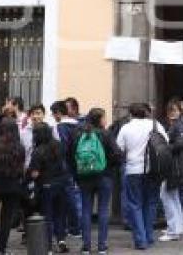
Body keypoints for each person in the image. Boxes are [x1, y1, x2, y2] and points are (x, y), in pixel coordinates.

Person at [116, 103, 168, 250]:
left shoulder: (126, 128)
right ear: (146, 113)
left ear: (131, 114)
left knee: (135, 204)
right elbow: (165, 143)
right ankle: (149, 236)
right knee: (151, 203)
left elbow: (119, 149)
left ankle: (140, 239)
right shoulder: (155, 125)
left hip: (133, 169)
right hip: (153, 169)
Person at [69, 107, 119, 255]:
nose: (106, 120)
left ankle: (86, 247)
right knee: (103, 210)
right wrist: (111, 168)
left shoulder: (78, 134)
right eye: (104, 117)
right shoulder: (106, 134)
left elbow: (70, 155)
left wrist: (76, 174)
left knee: (86, 210)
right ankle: (102, 247)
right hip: (104, 177)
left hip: (84, 177)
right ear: (100, 119)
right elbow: (117, 154)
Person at [28, 122, 69, 253]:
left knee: (48, 216)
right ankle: (61, 240)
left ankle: (49, 245)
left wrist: (28, 178)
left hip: (46, 186)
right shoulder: (59, 145)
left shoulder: (38, 151)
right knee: (60, 214)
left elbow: (34, 173)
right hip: (61, 184)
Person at [0, 118, 25, 254]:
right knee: (6, 218)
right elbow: (21, 167)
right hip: (14, 186)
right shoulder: (19, 147)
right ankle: (1, 248)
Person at [159, 99, 183, 242]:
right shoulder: (176, 125)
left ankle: (173, 231)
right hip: (176, 166)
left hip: (174, 167)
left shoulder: (179, 125)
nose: (172, 113)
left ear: (180, 111)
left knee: (167, 197)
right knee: (174, 198)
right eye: (170, 110)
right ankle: (178, 227)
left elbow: (181, 144)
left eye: (175, 110)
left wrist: (164, 148)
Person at [51, 100, 82, 239]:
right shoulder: (79, 125)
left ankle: (74, 227)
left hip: (65, 167)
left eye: (53, 114)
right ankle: (77, 227)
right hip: (80, 165)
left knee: (68, 197)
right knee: (76, 196)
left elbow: (62, 148)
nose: (53, 117)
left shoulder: (60, 127)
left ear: (58, 113)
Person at [21, 104, 46, 169]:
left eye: (38, 113)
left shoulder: (50, 131)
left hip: (46, 170)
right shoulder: (23, 133)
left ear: (44, 114)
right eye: (32, 114)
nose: (35, 116)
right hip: (28, 169)